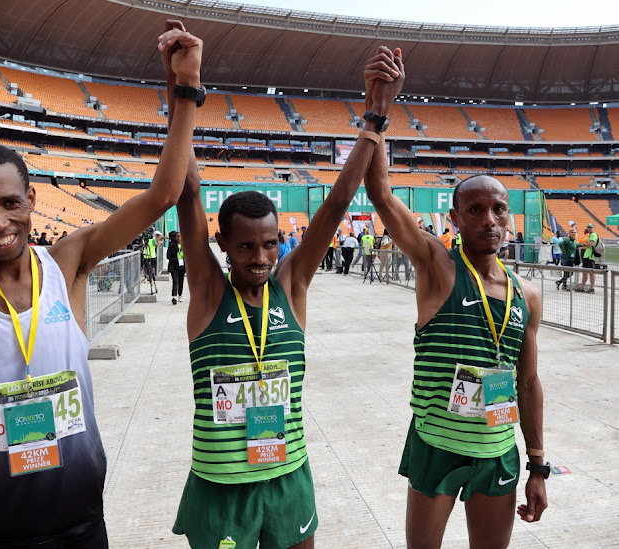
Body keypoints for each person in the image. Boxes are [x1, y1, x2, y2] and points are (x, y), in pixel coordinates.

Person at [0, 24, 203, 548]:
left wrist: (184, 90)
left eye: (10, 204)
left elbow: (164, 193)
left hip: (76, 508)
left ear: (30, 200)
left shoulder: (67, 261)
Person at [168, 26, 405, 548]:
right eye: (247, 247)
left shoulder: (291, 285)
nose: (261, 258)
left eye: (271, 244)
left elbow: (339, 202)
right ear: (223, 245)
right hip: (222, 485)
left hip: (287, 475)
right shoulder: (208, 292)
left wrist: (375, 114)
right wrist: (183, 88)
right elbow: (188, 193)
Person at [365, 91, 547, 549]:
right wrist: (378, 112)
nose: (489, 219)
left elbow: (527, 382)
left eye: (498, 209)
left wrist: (538, 464)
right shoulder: (437, 267)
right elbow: (381, 193)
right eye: (475, 210)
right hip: (437, 443)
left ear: (509, 216)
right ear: (455, 218)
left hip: (498, 450)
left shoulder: (527, 295)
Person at [576, 223, 598, 293]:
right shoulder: (590, 235)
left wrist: (584, 244)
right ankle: (582, 287)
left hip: (590, 256)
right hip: (587, 256)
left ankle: (591, 288)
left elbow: (590, 244)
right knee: (585, 272)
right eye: (588, 227)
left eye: (590, 227)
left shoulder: (593, 235)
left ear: (593, 228)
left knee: (591, 272)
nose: (589, 229)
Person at [167, 230, 186, 304]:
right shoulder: (172, 245)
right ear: (175, 238)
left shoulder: (186, 245)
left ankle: (180, 295)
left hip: (182, 266)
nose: (179, 238)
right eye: (178, 236)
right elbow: (168, 256)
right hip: (174, 266)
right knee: (175, 281)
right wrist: (176, 260)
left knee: (181, 281)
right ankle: (174, 296)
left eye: (181, 236)